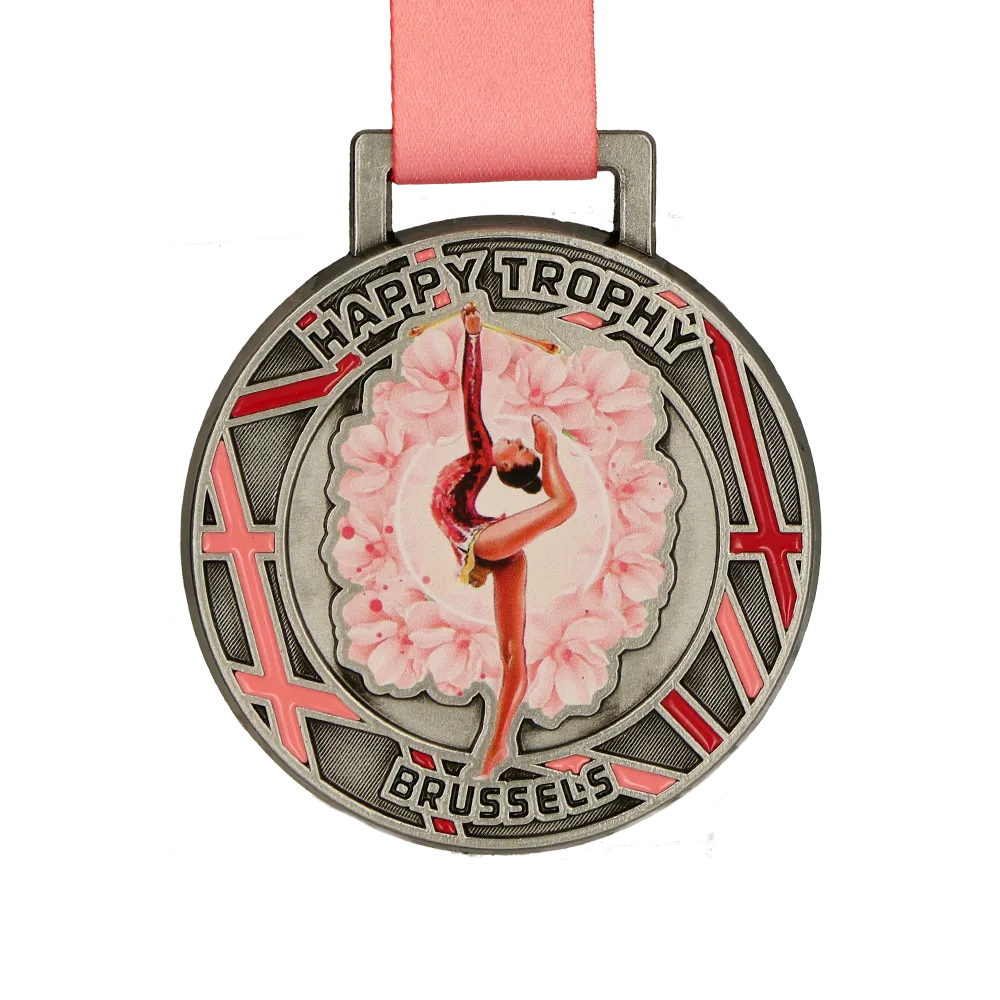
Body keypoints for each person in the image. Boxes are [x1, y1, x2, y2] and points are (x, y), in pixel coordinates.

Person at [430, 303, 577, 777]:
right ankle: (496, 748)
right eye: (523, 441)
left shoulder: (479, 457)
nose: (513, 439)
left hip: (481, 541)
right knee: (512, 652)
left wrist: (473, 338)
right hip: (483, 545)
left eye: (520, 447)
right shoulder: (476, 469)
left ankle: (497, 745)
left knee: (564, 505)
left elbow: (470, 395)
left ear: (508, 464)